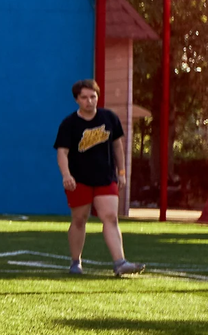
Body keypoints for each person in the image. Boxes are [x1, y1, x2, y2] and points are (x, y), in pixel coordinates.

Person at [54, 80, 144, 277]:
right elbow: (62, 152)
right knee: (79, 219)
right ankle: (76, 262)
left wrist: (122, 172)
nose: (89, 101)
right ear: (77, 100)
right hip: (79, 180)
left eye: (93, 97)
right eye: (84, 98)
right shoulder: (69, 124)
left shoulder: (109, 118)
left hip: (106, 177)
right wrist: (66, 175)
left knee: (111, 217)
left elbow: (117, 147)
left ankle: (120, 262)